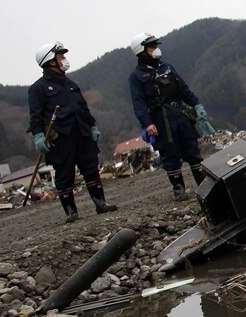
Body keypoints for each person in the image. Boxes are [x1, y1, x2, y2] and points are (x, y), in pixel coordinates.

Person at [27, 42, 117, 223]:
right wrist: (37, 136)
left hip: (82, 132)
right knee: (65, 174)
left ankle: (100, 203)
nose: (64, 60)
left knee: (91, 169)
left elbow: (83, 108)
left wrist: (92, 126)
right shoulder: (38, 88)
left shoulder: (70, 84)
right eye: (60, 57)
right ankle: (70, 211)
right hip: (61, 138)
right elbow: (35, 116)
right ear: (50, 61)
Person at [128, 33, 216, 201]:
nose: (156, 49)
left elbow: (183, 88)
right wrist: (147, 124)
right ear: (142, 50)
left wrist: (197, 105)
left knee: (192, 150)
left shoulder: (167, 67)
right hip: (161, 119)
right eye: (151, 46)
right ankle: (179, 190)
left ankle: (205, 188)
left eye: (155, 45)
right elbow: (138, 103)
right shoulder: (136, 76)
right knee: (170, 154)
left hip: (180, 113)